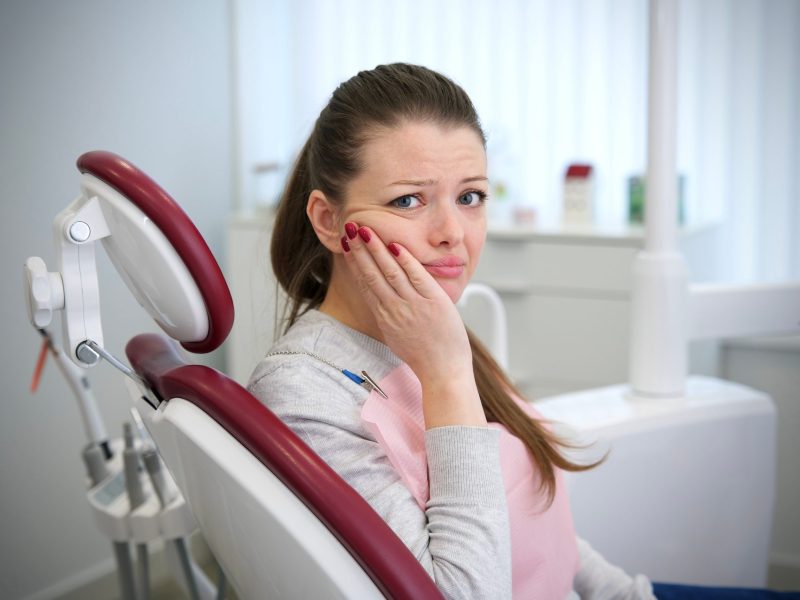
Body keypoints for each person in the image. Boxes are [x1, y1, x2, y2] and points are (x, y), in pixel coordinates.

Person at [248, 63, 655, 599]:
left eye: (470, 197)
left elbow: (540, 526)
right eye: (408, 200)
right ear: (327, 220)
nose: (452, 234)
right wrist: (446, 378)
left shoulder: (430, 333)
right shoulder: (304, 396)